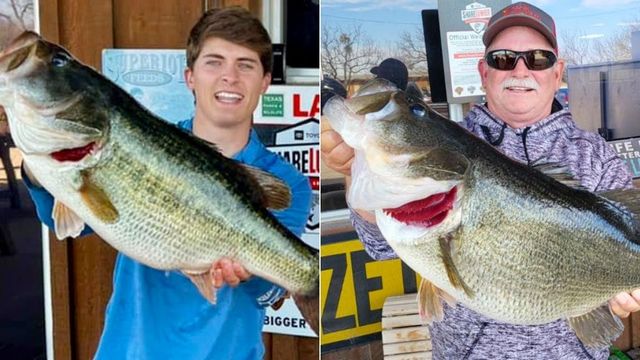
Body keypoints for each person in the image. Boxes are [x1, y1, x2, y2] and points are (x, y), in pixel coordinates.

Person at [321, 2, 640, 359]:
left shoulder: (594, 154)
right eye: (503, 59)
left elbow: (629, 238)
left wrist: (623, 296)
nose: (521, 70)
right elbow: (379, 248)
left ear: (557, 72)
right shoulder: (453, 140)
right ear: (483, 72)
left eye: (537, 59)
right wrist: (356, 174)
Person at [24, 7, 312, 359]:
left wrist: (251, 277)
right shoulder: (144, 141)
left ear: (265, 81)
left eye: (245, 65)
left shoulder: (286, 183)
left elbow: (268, 293)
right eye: (214, 62)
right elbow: (64, 220)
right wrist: (38, 169)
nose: (229, 77)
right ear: (190, 77)